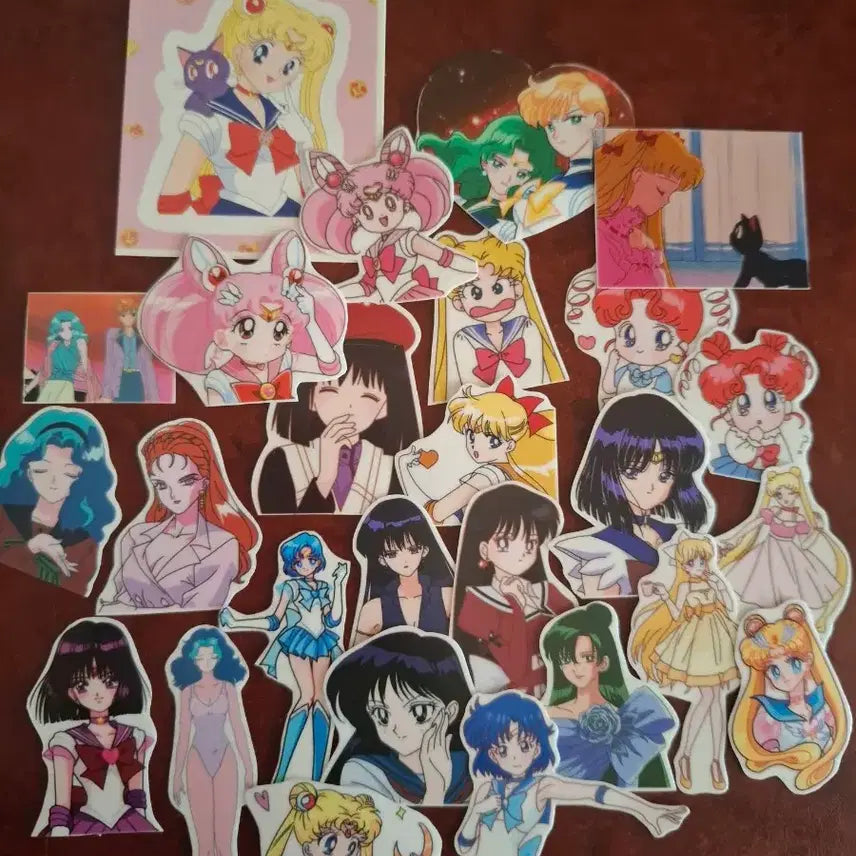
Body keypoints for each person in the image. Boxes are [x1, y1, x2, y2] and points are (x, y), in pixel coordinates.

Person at [156, 0, 333, 217]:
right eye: (263, 52)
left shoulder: (283, 116)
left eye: (290, 66)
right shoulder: (211, 114)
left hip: (284, 214)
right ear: (239, 52)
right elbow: (173, 196)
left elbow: (310, 190)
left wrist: (304, 142)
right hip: (233, 213)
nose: (275, 71)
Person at [455, 692, 689, 856]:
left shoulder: (541, 787)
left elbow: (595, 793)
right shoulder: (486, 789)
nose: (514, 757)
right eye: (503, 749)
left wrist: (646, 810)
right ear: (492, 753)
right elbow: (464, 847)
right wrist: (476, 812)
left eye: (524, 745)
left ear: (537, 747)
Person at [139, 232, 345, 405]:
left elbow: (330, 367)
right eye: (246, 330)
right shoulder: (218, 379)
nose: (265, 342)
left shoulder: (287, 360)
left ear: (290, 336)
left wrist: (311, 321)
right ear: (221, 338)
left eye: (280, 331)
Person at [253, 303, 421, 513]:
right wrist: (325, 476)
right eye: (330, 391)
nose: (348, 406)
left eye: (368, 396)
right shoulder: (282, 460)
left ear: (385, 406)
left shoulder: (395, 468)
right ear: (310, 397)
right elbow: (279, 523)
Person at [552, 393, 709, 597]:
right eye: (633, 472)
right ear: (605, 469)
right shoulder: (599, 548)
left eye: (665, 476)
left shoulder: (675, 534)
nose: (650, 487)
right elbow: (604, 600)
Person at [220, 532, 347, 781]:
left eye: (311, 559)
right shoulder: (290, 587)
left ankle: (318, 774)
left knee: (321, 700)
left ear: (319, 560)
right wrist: (238, 622)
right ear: (292, 564)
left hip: (322, 642)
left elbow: (334, 620)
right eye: (299, 561)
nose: (306, 565)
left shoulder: (323, 587)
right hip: (298, 640)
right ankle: (282, 771)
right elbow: (274, 620)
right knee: (306, 696)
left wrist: (340, 583)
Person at [97, 420, 260, 613]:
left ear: (204, 483)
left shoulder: (223, 545)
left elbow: (200, 611)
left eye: (186, 481)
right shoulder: (136, 536)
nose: (173, 494)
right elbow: (109, 601)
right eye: (161, 485)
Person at [301, 128, 475, 302]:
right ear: (355, 218)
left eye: (390, 204)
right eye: (368, 212)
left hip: (412, 293)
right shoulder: (371, 251)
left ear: (405, 202)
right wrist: (328, 294)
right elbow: (366, 287)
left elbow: (445, 257)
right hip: (390, 299)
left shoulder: (408, 239)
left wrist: (474, 270)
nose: (382, 216)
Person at [29, 619, 159, 837]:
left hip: (129, 821)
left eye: (109, 681)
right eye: (82, 685)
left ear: (123, 684)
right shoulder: (66, 741)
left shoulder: (134, 736)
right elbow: (62, 801)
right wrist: (60, 830)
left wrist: (141, 824)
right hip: (87, 823)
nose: (97, 694)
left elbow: (137, 793)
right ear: (71, 692)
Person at [629, 535, 739, 791]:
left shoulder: (712, 582)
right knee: (711, 698)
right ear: (684, 565)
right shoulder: (684, 587)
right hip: (695, 644)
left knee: (715, 699)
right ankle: (689, 755)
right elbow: (677, 614)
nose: (699, 566)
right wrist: (664, 595)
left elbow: (729, 606)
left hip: (718, 640)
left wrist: (719, 584)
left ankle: (709, 759)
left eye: (703, 561)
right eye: (693, 562)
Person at [325, 629, 474, 805]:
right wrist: (435, 791)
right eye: (382, 714)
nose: (397, 728)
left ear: (450, 712)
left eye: (420, 712)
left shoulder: (474, 766)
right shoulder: (365, 772)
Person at [453, 484, 575, 695]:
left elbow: (576, 640)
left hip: (560, 694)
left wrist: (529, 605)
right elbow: (516, 669)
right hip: (509, 703)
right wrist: (518, 606)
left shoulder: (547, 592)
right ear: (484, 549)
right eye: (504, 541)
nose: (521, 551)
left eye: (530, 542)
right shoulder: (475, 604)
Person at [542, 603, 675, 788]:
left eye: (587, 658)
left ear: (603, 662)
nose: (576, 668)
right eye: (567, 660)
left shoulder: (634, 719)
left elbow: (651, 784)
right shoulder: (546, 716)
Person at [430, 233, 566, 403]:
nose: (489, 303)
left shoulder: (527, 327)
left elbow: (537, 373)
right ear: (458, 302)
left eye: (498, 288)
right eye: (475, 293)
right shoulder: (462, 339)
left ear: (517, 289)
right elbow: (468, 388)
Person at [402, 378, 557, 525]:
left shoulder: (488, 476)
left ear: (510, 445)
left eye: (492, 441)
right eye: (471, 436)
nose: (477, 447)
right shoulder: (510, 474)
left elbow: (438, 513)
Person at [731, 604, 849, 793]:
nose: (786, 675)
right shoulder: (769, 716)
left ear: (808, 661)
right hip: (776, 790)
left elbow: (835, 729)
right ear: (766, 674)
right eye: (774, 669)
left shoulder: (821, 702)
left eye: (793, 663)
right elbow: (765, 754)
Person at [0, 408, 118, 595]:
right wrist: (33, 546)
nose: (53, 482)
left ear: (82, 477)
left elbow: (75, 588)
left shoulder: (85, 538)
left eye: (68, 473)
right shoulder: (4, 515)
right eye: (41, 470)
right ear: (27, 473)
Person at [719, 468, 849, 635]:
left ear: (797, 494)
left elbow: (806, 541)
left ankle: (784, 623)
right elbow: (754, 524)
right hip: (768, 553)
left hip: (791, 555)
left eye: (790, 493)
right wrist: (736, 537)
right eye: (779, 495)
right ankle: (762, 622)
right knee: (761, 586)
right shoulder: (773, 512)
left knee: (790, 589)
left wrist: (817, 527)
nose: (785, 498)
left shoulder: (799, 518)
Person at [169, 627, 255, 856]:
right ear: (192, 659)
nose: (206, 662)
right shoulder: (187, 692)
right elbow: (183, 735)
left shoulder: (228, 688)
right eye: (201, 657)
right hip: (196, 759)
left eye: (211, 656)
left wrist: (249, 770)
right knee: (204, 845)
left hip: (226, 758)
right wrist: (176, 776)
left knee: (225, 844)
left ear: (219, 657)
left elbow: (238, 729)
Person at [595, 130, 703, 288]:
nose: (666, 201)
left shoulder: (636, 226)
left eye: (670, 194)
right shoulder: (603, 233)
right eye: (661, 191)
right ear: (637, 176)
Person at [510, 70, 611, 237]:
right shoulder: (560, 180)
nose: (557, 133)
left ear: (598, 120)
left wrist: (522, 209)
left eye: (573, 119)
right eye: (550, 126)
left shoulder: (593, 185)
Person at [698, 332, 810, 481]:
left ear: (786, 404)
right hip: (739, 471)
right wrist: (754, 444)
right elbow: (740, 454)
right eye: (743, 408)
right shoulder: (736, 435)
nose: (758, 416)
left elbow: (787, 456)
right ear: (728, 412)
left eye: (771, 403)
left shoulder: (777, 433)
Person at [416, 115, 556, 230]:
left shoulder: (521, 213)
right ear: (484, 162)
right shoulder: (469, 205)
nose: (507, 178)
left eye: (521, 174)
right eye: (499, 164)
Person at [352, 498, 454, 643]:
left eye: (412, 550)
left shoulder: (446, 597)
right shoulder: (374, 609)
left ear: (424, 551)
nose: (404, 560)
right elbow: (357, 654)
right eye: (392, 554)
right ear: (382, 560)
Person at [590, 289, 704, 402]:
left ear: (681, 347)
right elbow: (609, 390)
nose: (640, 349)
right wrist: (612, 364)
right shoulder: (626, 370)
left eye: (660, 340)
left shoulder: (662, 376)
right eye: (628, 336)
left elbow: (663, 404)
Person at [101, 297, 160, 402]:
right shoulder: (112, 336)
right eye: (124, 315)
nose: (128, 318)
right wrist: (106, 393)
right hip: (120, 381)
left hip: (137, 380)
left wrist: (154, 398)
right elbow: (109, 364)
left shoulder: (144, 338)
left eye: (132, 314)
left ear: (136, 316)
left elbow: (148, 367)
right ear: (119, 317)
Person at [35, 311, 100, 403]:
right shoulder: (54, 346)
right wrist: (26, 390)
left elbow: (86, 370)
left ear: (75, 329)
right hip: (50, 385)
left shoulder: (80, 343)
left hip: (66, 384)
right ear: (57, 332)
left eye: (70, 328)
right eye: (62, 330)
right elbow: (43, 370)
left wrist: (90, 391)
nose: (66, 332)